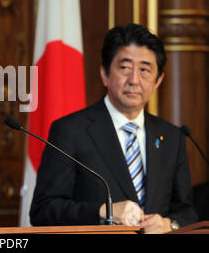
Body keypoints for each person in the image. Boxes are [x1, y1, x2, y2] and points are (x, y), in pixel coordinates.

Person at [30, 23, 198, 233]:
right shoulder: (70, 131)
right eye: (125, 67)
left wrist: (169, 224)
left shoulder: (172, 137)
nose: (134, 80)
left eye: (145, 70)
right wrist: (103, 211)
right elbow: (43, 211)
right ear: (104, 74)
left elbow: (187, 212)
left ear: (158, 80)